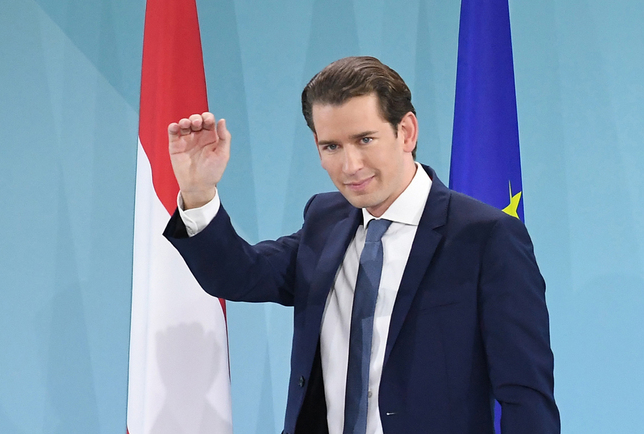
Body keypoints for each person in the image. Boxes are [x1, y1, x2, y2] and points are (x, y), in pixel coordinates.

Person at [163, 56, 560, 434]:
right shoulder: (324, 220)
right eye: (331, 146)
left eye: (365, 139)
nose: (350, 165)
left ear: (406, 131)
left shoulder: (485, 237)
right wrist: (198, 191)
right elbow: (241, 277)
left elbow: (526, 394)